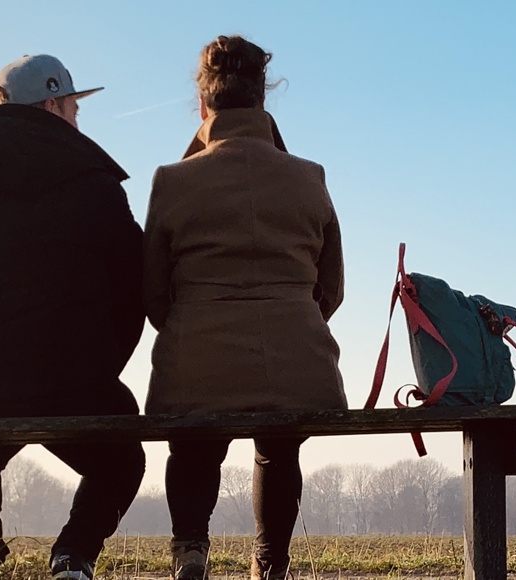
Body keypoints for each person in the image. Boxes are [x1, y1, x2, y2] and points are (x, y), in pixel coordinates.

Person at [0, 53, 147, 580]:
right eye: (75, 107)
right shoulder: (100, 188)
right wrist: (99, 365)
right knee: (123, 456)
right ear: (54, 104)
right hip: (78, 383)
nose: (80, 120)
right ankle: (73, 554)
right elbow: (136, 294)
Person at [143, 36, 345, 580]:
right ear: (263, 100)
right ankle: (270, 562)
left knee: (194, 445)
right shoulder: (310, 177)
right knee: (279, 449)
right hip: (298, 363)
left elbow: (153, 293)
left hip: (197, 359)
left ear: (204, 105)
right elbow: (333, 290)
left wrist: (194, 321)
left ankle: (191, 550)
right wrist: (291, 320)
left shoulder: (172, 180)